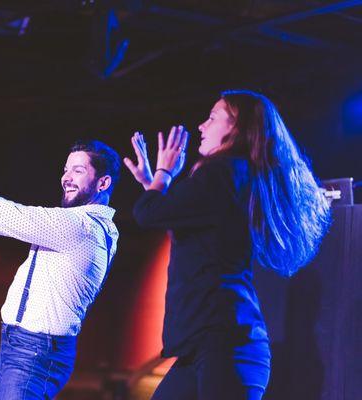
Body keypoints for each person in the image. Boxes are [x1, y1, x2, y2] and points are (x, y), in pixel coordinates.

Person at [124, 90, 331, 400]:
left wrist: (164, 176)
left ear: (235, 128)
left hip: (225, 349)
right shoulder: (230, 177)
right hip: (207, 348)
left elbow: (147, 213)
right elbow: (174, 221)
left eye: (212, 118)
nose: (201, 126)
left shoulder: (222, 174)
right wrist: (153, 186)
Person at [0, 140, 121, 399]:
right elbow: (19, 214)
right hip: (16, 348)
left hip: (36, 352)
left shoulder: (82, 227)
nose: (66, 178)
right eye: (65, 170)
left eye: (78, 171)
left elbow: (13, 218)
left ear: (103, 183)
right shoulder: (79, 224)